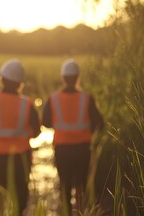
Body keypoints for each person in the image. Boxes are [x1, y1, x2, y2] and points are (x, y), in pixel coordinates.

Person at [0, 59, 41, 216]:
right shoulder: (27, 103)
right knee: (20, 203)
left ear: (1, 79)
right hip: (21, 161)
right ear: (20, 83)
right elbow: (37, 132)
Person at [42, 58, 103, 215]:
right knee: (81, 186)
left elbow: (46, 123)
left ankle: (67, 212)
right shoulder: (87, 98)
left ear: (63, 78)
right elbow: (100, 123)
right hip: (83, 149)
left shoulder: (53, 99)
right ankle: (82, 212)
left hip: (62, 149)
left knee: (64, 186)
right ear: (77, 77)